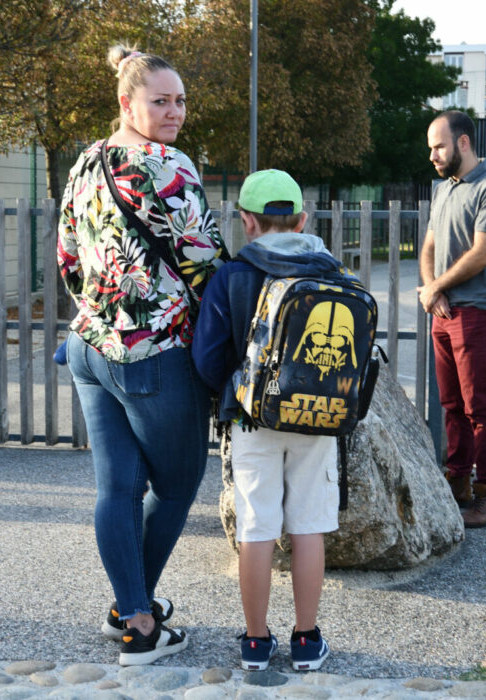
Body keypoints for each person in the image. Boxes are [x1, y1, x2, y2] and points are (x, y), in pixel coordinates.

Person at [57, 44, 228, 667]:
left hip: (89, 345)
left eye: (180, 100)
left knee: (120, 488)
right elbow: (207, 263)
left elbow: (68, 258)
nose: (175, 111)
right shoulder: (165, 164)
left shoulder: (85, 163)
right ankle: (141, 625)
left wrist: (103, 311)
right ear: (126, 102)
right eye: (161, 101)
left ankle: (129, 606)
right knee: (178, 487)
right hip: (153, 353)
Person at [192, 169, 337, 672]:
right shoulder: (329, 269)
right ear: (303, 218)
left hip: (252, 419)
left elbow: (207, 358)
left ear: (247, 222)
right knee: (309, 526)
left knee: (256, 527)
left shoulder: (231, 275)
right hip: (315, 418)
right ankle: (306, 639)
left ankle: (255, 643)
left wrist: (234, 391)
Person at [417, 110, 486, 529]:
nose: (433, 155)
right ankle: (458, 481)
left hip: (476, 312)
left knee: (479, 406)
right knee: (451, 404)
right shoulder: (443, 190)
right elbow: (428, 250)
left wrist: (438, 287)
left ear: (463, 143)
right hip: (442, 311)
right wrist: (430, 288)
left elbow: (482, 253)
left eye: (438, 146)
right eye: (430, 148)